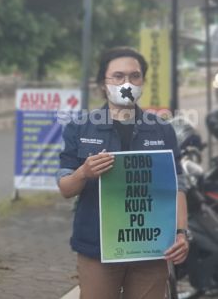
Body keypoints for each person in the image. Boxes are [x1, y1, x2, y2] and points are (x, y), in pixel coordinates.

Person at [57, 47, 189, 298]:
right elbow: (65, 188)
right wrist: (83, 172)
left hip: (151, 249)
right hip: (98, 249)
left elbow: (177, 187)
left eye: (134, 76)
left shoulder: (162, 130)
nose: (126, 83)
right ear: (102, 83)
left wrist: (181, 233)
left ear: (143, 81)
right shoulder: (80, 128)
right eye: (117, 76)